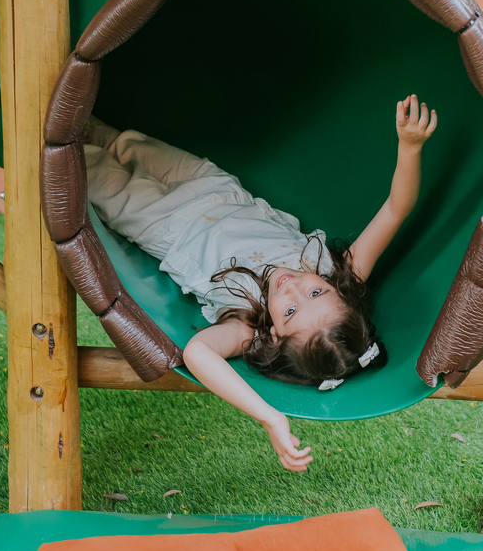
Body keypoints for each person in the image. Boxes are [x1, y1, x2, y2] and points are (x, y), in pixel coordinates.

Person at [83, 95, 437, 471]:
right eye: (316, 292)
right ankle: (59, 104)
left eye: (289, 311)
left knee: (85, 167)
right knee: (123, 142)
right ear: (340, 291)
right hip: (213, 187)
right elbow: (396, 209)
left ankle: (41, 127)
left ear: (273, 337)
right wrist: (410, 147)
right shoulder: (339, 269)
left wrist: (270, 417)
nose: (293, 288)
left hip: (159, 221)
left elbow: (197, 354)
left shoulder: (248, 325)